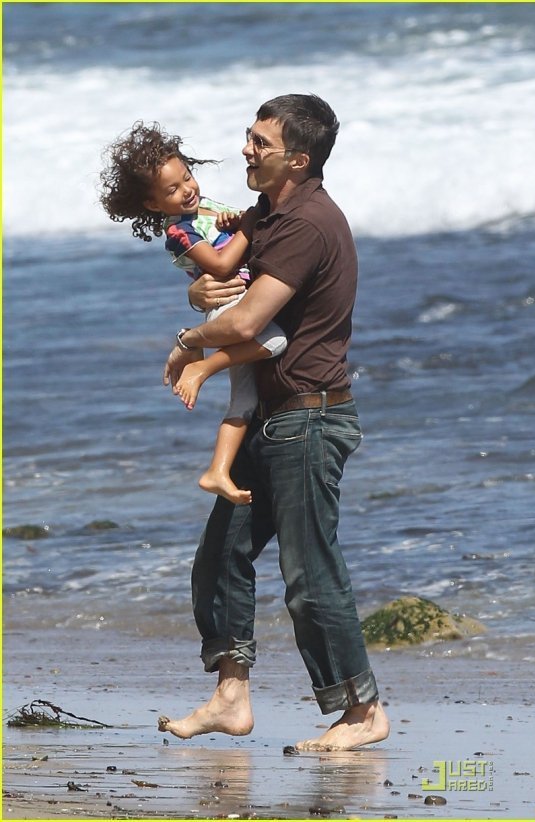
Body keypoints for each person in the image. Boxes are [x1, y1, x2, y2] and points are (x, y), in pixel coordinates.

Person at [159, 94, 390, 751]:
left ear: (299, 160)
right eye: (249, 135)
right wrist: (196, 295)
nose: (246, 149)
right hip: (269, 418)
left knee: (310, 574)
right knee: (219, 558)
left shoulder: (308, 223)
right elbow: (221, 283)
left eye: (260, 142)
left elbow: (247, 320)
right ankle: (231, 698)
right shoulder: (267, 212)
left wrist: (188, 344)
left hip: (309, 419)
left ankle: (362, 713)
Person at [99, 122, 286, 505]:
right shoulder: (179, 231)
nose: (186, 189)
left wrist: (236, 222)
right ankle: (203, 366)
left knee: (244, 401)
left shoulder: (205, 207)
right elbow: (220, 266)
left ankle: (217, 471)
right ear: (154, 204)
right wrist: (249, 226)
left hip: (240, 301)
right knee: (278, 340)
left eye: (186, 177)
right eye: (172, 190)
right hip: (227, 306)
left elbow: (237, 230)